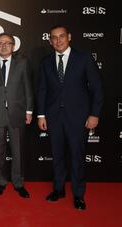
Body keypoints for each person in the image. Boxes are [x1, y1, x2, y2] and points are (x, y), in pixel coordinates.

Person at [38, 25, 103, 210]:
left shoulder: (84, 58)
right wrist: (41, 114)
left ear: (69, 37)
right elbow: (42, 90)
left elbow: (97, 89)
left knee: (77, 156)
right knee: (57, 155)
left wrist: (94, 114)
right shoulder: (46, 61)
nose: (58, 41)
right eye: (54, 38)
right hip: (53, 117)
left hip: (78, 117)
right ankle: (58, 189)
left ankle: (78, 194)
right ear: (50, 40)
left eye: (61, 37)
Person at [0, 33, 33, 198]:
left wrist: (29, 111)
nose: (3, 46)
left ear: (13, 45)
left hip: (17, 113)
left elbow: (28, 88)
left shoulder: (22, 63)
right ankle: (0, 182)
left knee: (18, 151)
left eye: (7, 43)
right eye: (0, 43)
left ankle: (18, 183)